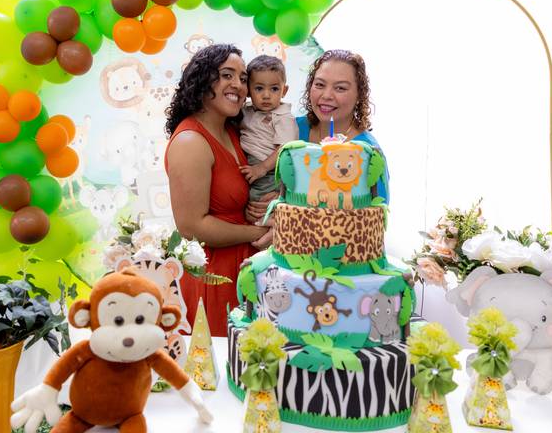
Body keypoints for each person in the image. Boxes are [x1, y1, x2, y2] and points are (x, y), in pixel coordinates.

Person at [165, 44, 269, 336]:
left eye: (243, 78)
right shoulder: (190, 141)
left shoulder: (232, 132)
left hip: (244, 267)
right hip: (213, 275)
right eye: (227, 75)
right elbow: (191, 227)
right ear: (202, 80)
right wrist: (258, 232)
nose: (238, 85)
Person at [245, 49, 390, 224]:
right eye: (320, 85)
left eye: (340, 88)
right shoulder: (291, 128)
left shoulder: (368, 154)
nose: (326, 95)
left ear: (359, 94)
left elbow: (374, 223)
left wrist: (287, 217)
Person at [238, 55, 298, 204]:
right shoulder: (246, 110)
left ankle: (263, 218)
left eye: (274, 89)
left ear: (284, 91)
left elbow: (285, 148)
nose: (266, 95)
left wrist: (262, 168)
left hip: (270, 170)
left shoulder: (283, 116)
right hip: (250, 164)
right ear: (248, 91)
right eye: (259, 88)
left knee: (259, 201)